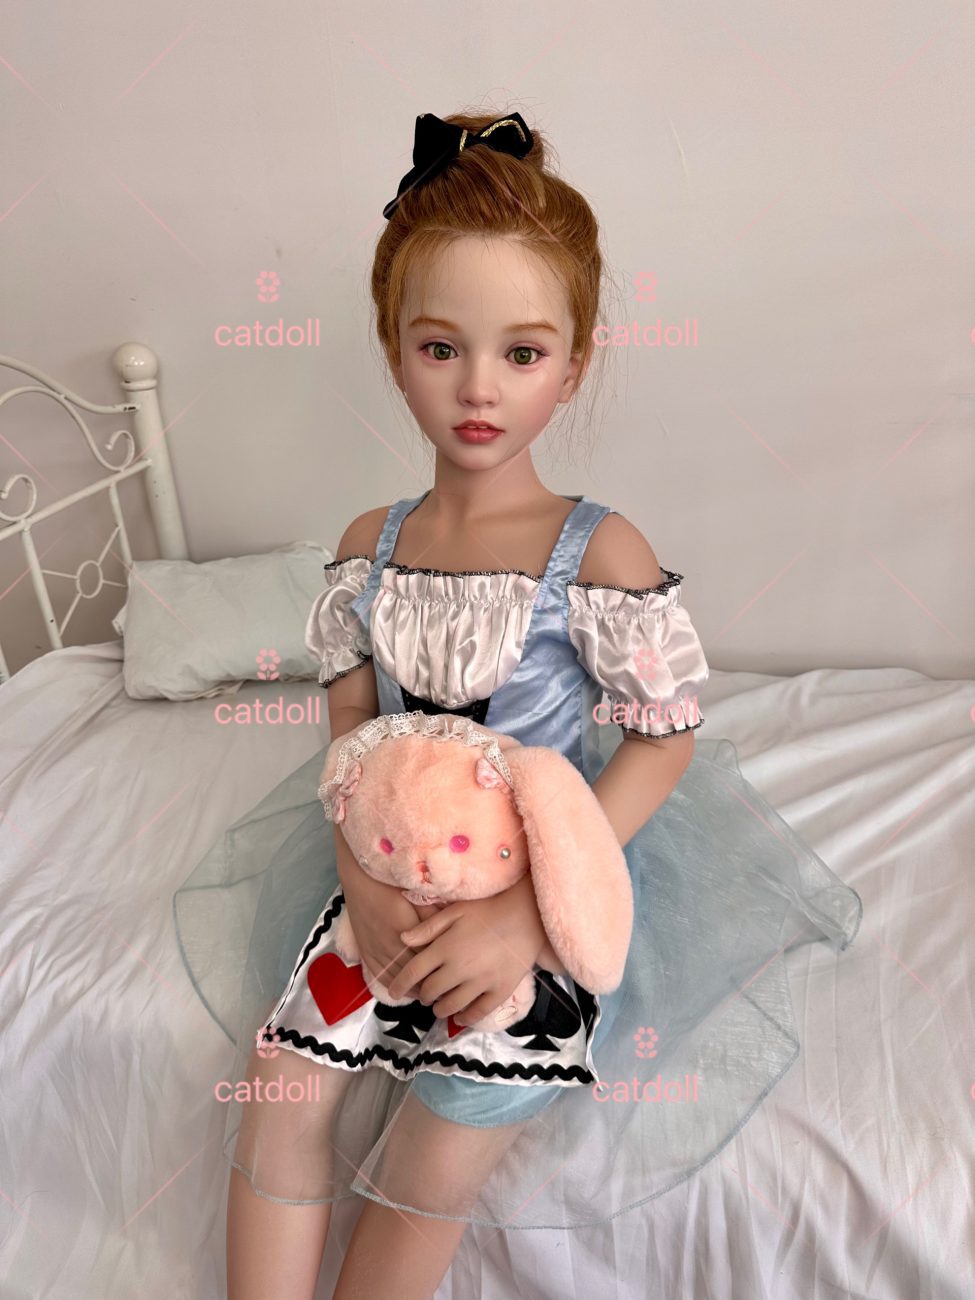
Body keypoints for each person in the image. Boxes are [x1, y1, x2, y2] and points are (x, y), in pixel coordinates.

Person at [174, 109, 862, 1300]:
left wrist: (531, 917)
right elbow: (352, 731)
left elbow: (661, 737)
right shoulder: (369, 543)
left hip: (533, 882)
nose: (479, 388)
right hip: (387, 865)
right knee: (281, 1088)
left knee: (434, 1150)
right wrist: (360, 873)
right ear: (394, 349)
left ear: (575, 363)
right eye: (441, 348)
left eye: (524, 354)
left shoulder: (598, 551)